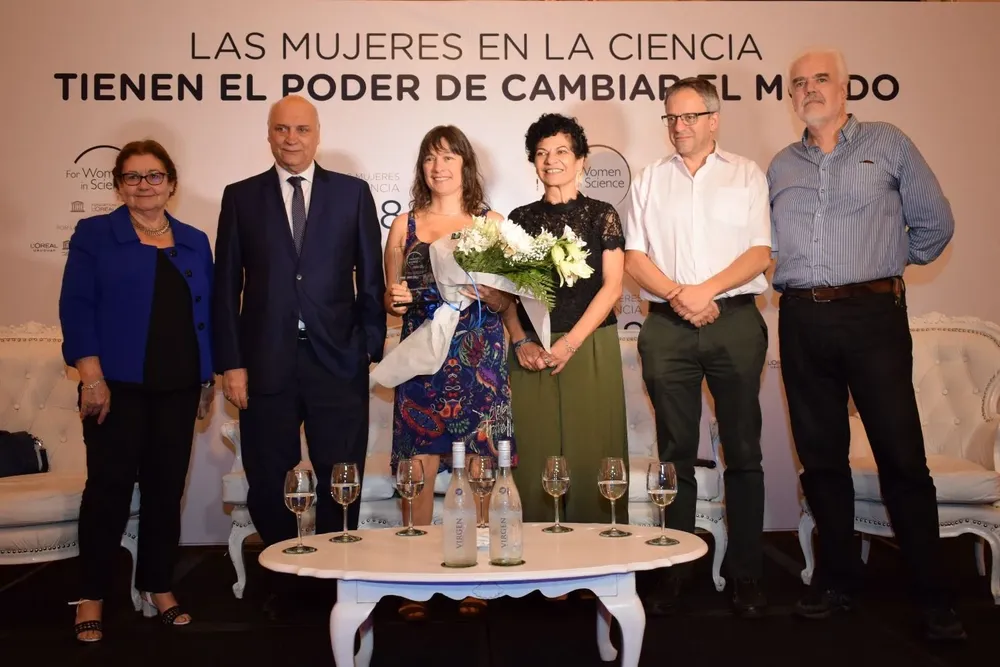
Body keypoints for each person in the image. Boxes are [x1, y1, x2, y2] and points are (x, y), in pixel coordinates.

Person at [767, 48, 965, 641]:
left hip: (875, 318)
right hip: (802, 319)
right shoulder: (780, 165)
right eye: (799, 83)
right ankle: (838, 582)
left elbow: (936, 224)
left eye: (820, 78)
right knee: (821, 461)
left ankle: (934, 595)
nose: (809, 89)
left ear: (845, 87)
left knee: (902, 458)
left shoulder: (890, 142)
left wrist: (879, 270)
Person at [624, 77, 772, 618]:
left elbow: (760, 252)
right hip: (667, 326)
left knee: (744, 452)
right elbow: (634, 257)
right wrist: (678, 295)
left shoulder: (746, 174)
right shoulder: (649, 179)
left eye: (690, 117)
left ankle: (747, 574)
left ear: (714, 119)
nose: (679, 127)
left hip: (732, 320)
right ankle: (676, 570)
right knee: (675, 453)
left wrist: (704, 291)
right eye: (671, 118)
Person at [213, 95, 386, 557]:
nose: (292, 139)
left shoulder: (352, 194)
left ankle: (332, 568)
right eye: (282, 129)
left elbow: (371, 278)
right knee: (270, 477)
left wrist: (367, 346)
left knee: (339, 473)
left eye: (302, 129)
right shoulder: (240, 197)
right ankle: (284, 572)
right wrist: (231, 362)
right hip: (265, 363)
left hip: (337, 361)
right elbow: (226, 287)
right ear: (269, 134)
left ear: (317, 134)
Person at [59, 140, 215, 642]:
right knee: (107, 493)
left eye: (153, 176)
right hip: (114, 388)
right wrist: (91, 376)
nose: (143, 185)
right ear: (118, 185)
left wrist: (207, 376)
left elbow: (206, 315)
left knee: (167, 491)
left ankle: (158, 585)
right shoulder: (95, 234)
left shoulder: (194, 240)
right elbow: (77, 305)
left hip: (178, 385)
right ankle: (92, 594)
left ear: (171, 183)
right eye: (132, 177)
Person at [384, 125, 515, 620]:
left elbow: (506, 301)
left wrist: (483, 292)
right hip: (423, 358)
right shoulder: (404, 227)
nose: (439, 167)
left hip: (479, 356)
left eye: (448, 158)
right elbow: (391, 298)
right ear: (421, 168)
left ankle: (474, 576)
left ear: (465, 165)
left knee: (479, 468)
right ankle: (415, 582)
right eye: (430, 159)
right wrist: (393, 299)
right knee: (417, 469)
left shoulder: (491, 223)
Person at [504, 113, 629, 527]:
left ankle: (598, 566)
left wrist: (571, 343)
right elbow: (507, 295)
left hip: (590, 346)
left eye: (561, 151)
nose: (550, 160)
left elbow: (612, 289)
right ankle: (534, 568)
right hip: (531, 353)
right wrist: (521, 341)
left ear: (581, 160)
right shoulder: (518, 220)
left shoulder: (602, 215)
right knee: (535, 452)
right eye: (541, 153)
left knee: (594, 449)